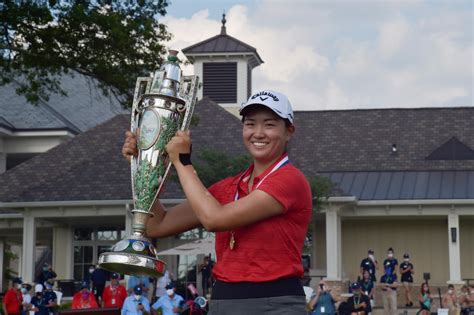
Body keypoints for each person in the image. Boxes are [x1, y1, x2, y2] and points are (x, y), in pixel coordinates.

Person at [123, 90, 312, 314]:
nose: (258, 133)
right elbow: (157, 224)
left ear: (289, 131)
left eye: (269, 124)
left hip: (275, 303)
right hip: (224, 301)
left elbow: (214, 219)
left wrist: (182, 161)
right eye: (250, 124)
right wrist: (143, 164)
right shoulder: (227, 187)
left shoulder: (290, 179)